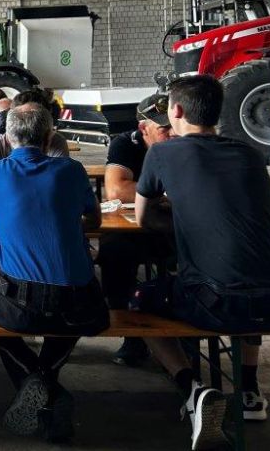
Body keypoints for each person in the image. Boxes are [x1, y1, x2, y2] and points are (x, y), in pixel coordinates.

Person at [135, 75, 270, 449]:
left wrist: (182, 218)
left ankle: (192, 390)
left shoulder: (162, 153)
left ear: (176, 111)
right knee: (249, 273)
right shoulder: (250, 155)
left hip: (214, 300)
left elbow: (142, 218)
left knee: (138, 303)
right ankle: (249, 390)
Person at [0, 104, 108, 441]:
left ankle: (36, 382)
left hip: (21, 306)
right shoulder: (71, 171)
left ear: (8, 137)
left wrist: (2, 217)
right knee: (76, 313)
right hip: (80, 307)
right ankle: (48, 385)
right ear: (49, 136)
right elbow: (94, 222)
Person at [0, 90, 71, 297]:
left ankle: (19, 310)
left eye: (38, 122)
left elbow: (59, 199)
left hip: (43, 229)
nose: (31, 127)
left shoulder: (57, 145)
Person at [97, 93, 173, 367]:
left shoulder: (184, 143)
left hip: (174, 228)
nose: (173, 133)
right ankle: (131, 333)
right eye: (164, 129)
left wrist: (144, 193)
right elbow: (116, 190)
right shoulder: (126, 144)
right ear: (143, 129)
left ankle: (185, 335)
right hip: (137, 228)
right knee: (113, 250)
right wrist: (167, 194)